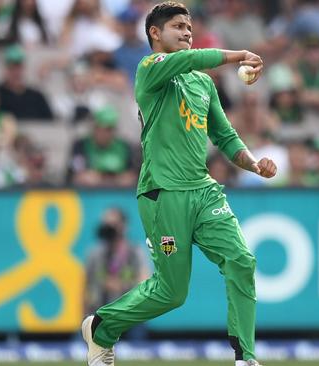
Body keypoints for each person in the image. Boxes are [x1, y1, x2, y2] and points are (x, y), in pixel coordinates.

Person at [80, 3, 276, 366]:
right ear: (155, 33)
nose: (187, 32)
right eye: (178, 26)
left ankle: (245, 357)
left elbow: (225, 136)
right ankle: (102, 327)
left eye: (190, 26)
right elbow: (190, 60)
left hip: (203, 192)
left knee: (241, 261)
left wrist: (253, 163)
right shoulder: (149, 70)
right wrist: (238, 55)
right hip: (162, 193)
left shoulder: (202, 84)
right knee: (172, 293)